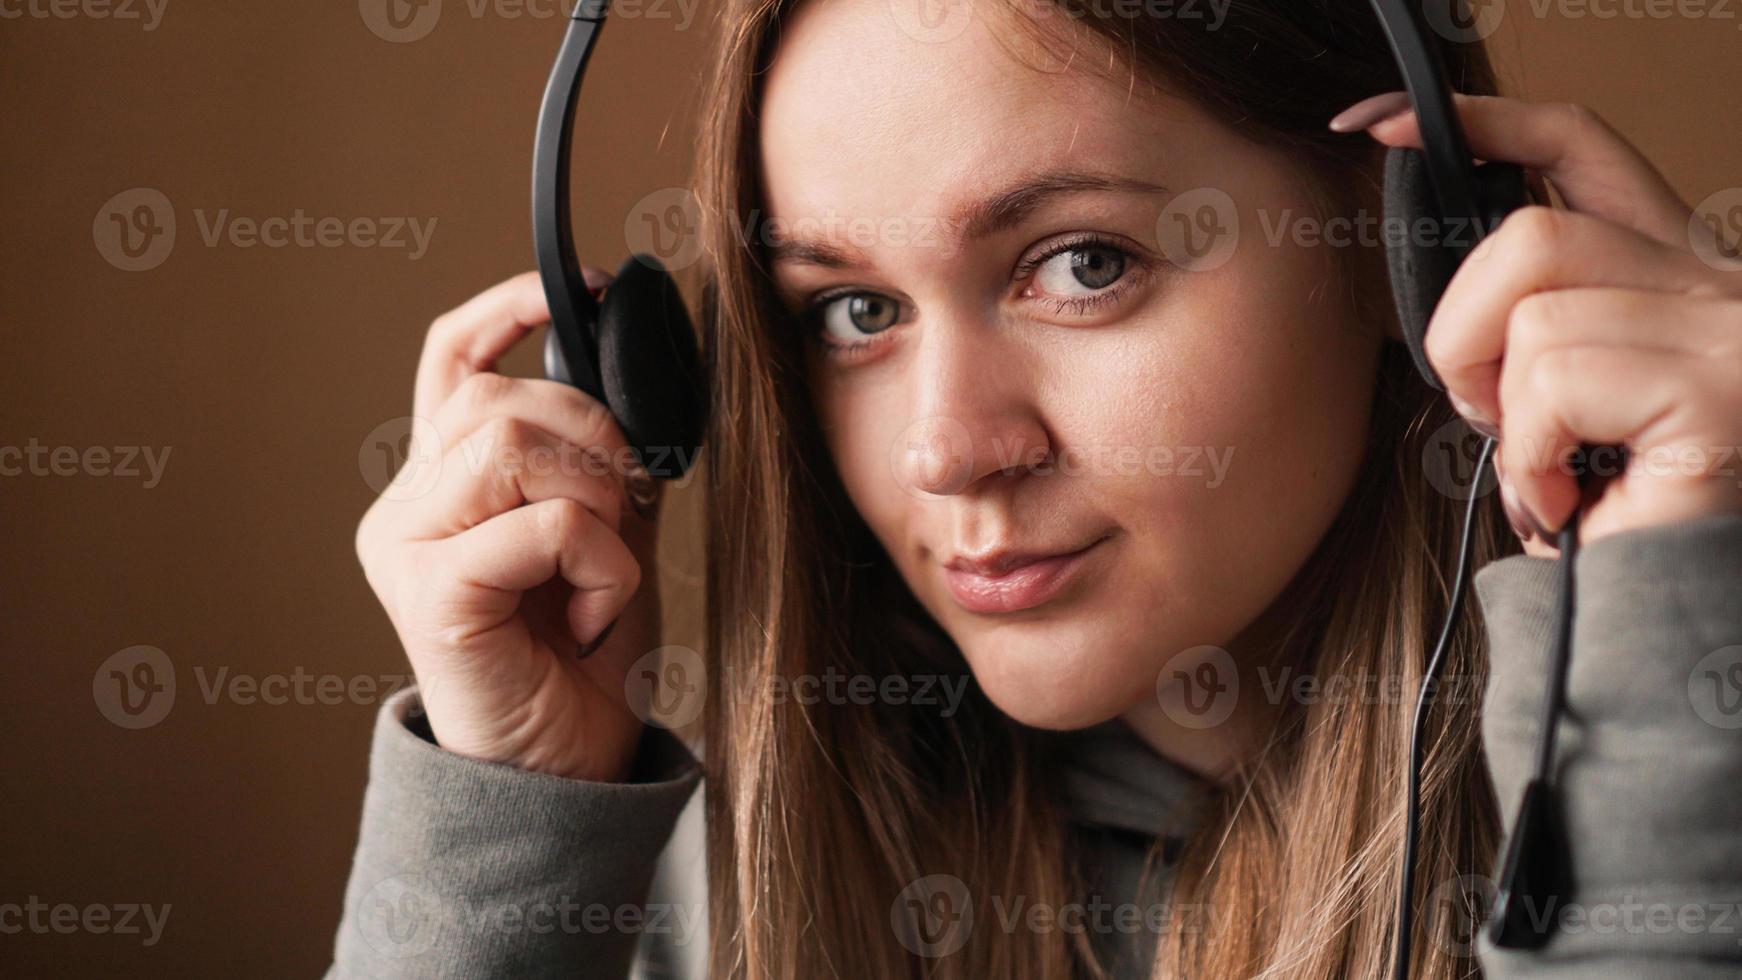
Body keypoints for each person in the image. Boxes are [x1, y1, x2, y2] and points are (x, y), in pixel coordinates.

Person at [330, 0, 1742, 977]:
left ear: (1416, 241)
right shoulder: (722, 892)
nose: (946, 452)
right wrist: (510, 842)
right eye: (853, 312)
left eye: (1081, 263)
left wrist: (1671, 658)